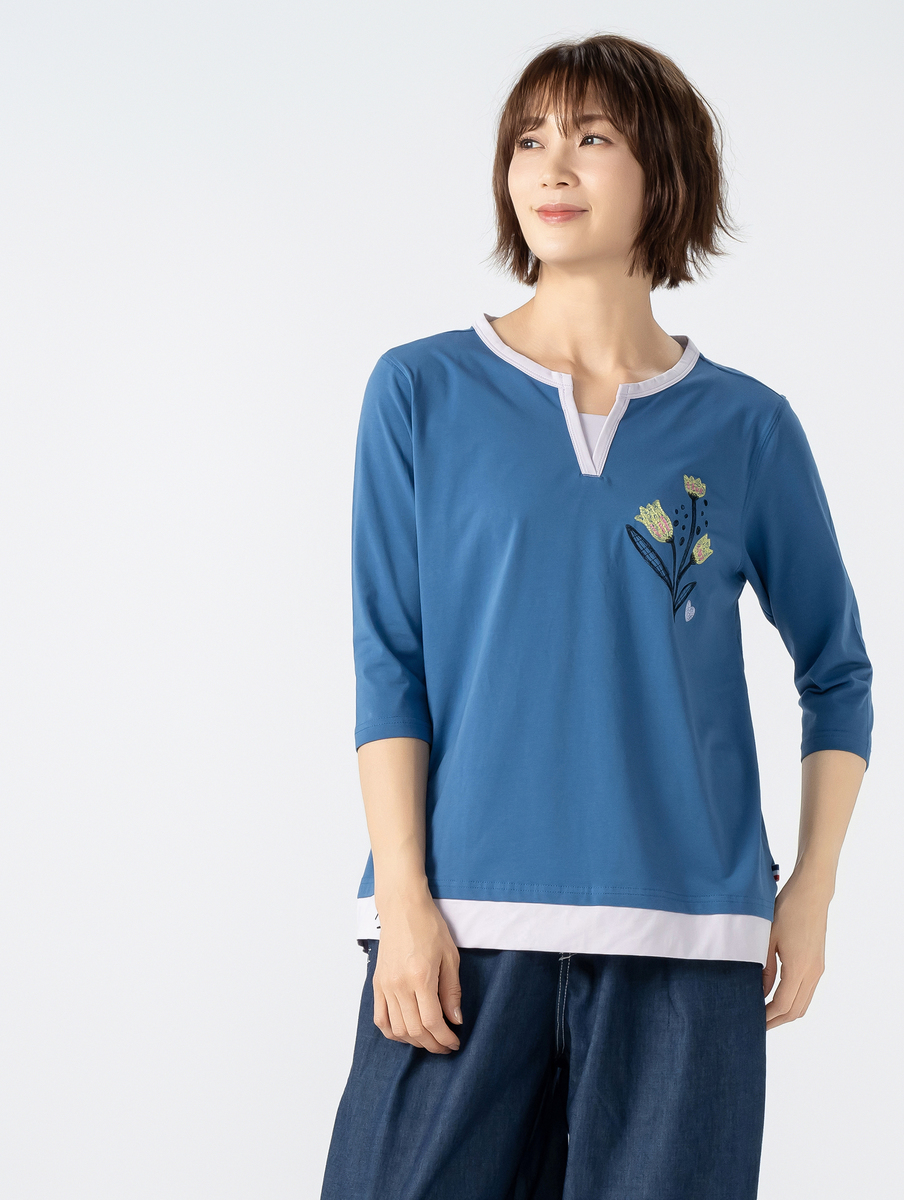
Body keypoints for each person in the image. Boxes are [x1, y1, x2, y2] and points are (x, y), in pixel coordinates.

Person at [320, 32, 873, 1200]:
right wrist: (404, 902)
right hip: (463, 933)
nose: (550, 167)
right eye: (527, 141)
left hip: (689, 945)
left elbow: (837, 674)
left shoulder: (747, 428)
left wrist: (810, 892)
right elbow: (390, 664)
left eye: (591, 137)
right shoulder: (420, 393)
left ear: (663, 172)